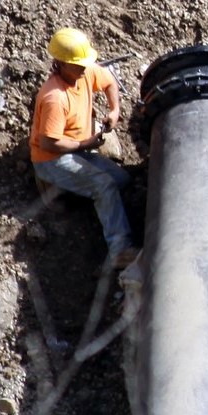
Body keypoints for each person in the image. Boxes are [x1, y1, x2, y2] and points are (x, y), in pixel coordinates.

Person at [29, 27, 138, 270]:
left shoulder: (84, 72)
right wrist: (85, 144)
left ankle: (78, 196)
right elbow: (48, 143)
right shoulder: (55, 97)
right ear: (61, 64)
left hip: (78, 151)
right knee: (104, 185)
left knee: (122, 180)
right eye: (78, 65)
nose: (85, 69)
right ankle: (119, 250)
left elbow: (109, 82)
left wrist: (114, 111)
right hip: (51, 159)